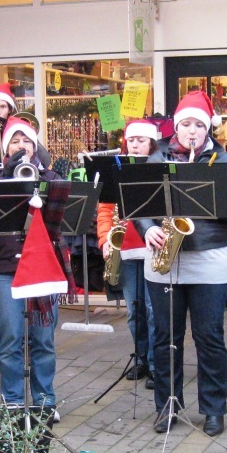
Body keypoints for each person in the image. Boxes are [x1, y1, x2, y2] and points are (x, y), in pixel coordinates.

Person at [139, 91, 227, 437]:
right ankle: (167, 406)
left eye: (198, 126)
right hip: (164, 258)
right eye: (185, 124)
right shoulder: (157, 160)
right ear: (176, 126)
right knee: (164, 337)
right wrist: (148, 229)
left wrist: (211, 198)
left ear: (207, 130)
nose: (191, 132)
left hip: (208, 258)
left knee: (209, 336)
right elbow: (139, 206)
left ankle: (214, 409)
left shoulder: (223, 161)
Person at [0, 117, 69, 415]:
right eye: (15, 141)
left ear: (36, 146)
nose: (22, 147)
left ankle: (45, 401)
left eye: (27, 141)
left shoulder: (51, 177)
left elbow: (65, 220)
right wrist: (9, 176)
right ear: (6, 148)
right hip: (6, 268)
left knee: (43, 340)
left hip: (44, 268)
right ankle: (12, 403)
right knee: (9, 340)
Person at [95, 119, 158, 389]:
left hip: (154, 246)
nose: (134, 144)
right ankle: (141, 357)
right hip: (127, 247)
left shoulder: (160, 166)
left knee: (154, 310)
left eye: (140, 140)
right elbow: (105, 209)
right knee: (135, 310)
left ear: (151, 144)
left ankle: (158, 363)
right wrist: (104, 240)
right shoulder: (116, 170)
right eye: (131, 140)